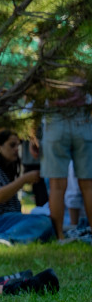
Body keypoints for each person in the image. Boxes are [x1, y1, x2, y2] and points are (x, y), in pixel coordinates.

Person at [0, 130, 54, 244]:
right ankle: (2, 238)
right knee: (43, 222)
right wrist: (23, 180)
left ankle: (4, 238)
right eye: (12, 145)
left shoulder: (5, 171)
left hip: (0, 222)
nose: (16, 149)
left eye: (18, 145)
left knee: (48, 225)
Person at [38, 78, 92, 240]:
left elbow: (36, 91)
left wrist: (34, 133)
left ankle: (59, 236)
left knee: (56, 185)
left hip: (55, 118)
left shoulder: (48, 63)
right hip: (83, 117)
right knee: (88, 185)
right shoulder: (83, 62)